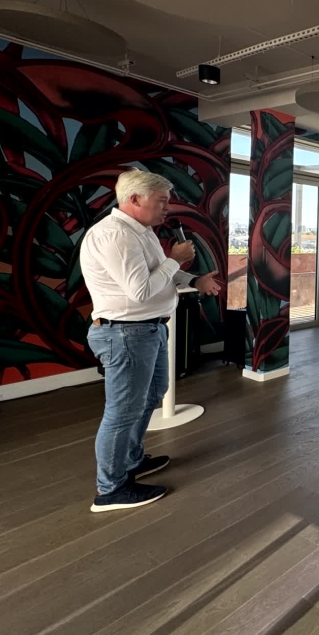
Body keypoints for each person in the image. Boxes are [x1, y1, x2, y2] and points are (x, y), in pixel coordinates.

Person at [81, 169, 222, 512]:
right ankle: (111, 489)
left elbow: (158, 274)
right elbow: (141, 289)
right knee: (123, 411)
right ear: (134, 199)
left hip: (147, 330)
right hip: (126, 333)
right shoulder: (115, 235)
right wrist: (175, 259)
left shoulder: (140, 232)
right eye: (161, 201)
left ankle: (131, 460)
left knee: (152, 394)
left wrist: (194, 279)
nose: (167, 208)